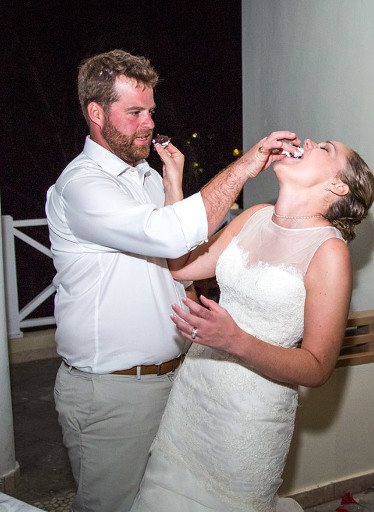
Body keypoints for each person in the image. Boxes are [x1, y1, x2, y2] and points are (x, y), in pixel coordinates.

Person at [45, 48, 303, 512]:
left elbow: (177, 261)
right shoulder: (82, 185)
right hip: (113, 392)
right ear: (97, 113)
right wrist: (246, 166)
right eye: (135, 112)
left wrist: (172, 184)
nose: (149, 123)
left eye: (151, 111)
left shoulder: (145, 176)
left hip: (176, 379)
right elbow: (169, 233)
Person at [130, 138, 374, 511]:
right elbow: (182, 266)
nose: (309, 142)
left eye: (325, 148)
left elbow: (317, 367)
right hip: (192, 399)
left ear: (338, 186)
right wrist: (173, 185)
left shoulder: (329, 251)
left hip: (248, 420)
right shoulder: (256, 215)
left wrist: (235, 340)